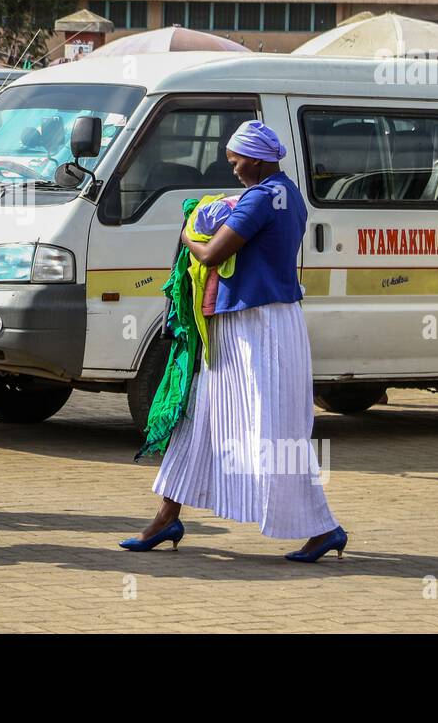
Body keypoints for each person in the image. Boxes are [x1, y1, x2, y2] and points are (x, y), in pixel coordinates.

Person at [121, 120, 346, 562]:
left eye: (237, 160)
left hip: (257, 326)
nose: (234, 168)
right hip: (251, 325)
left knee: (273, 430)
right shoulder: (289, 194)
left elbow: (211, 253)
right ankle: (167, 516)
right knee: (200, 417)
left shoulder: (260, 200)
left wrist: (187, 229)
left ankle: (324, 528)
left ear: (259, 158)